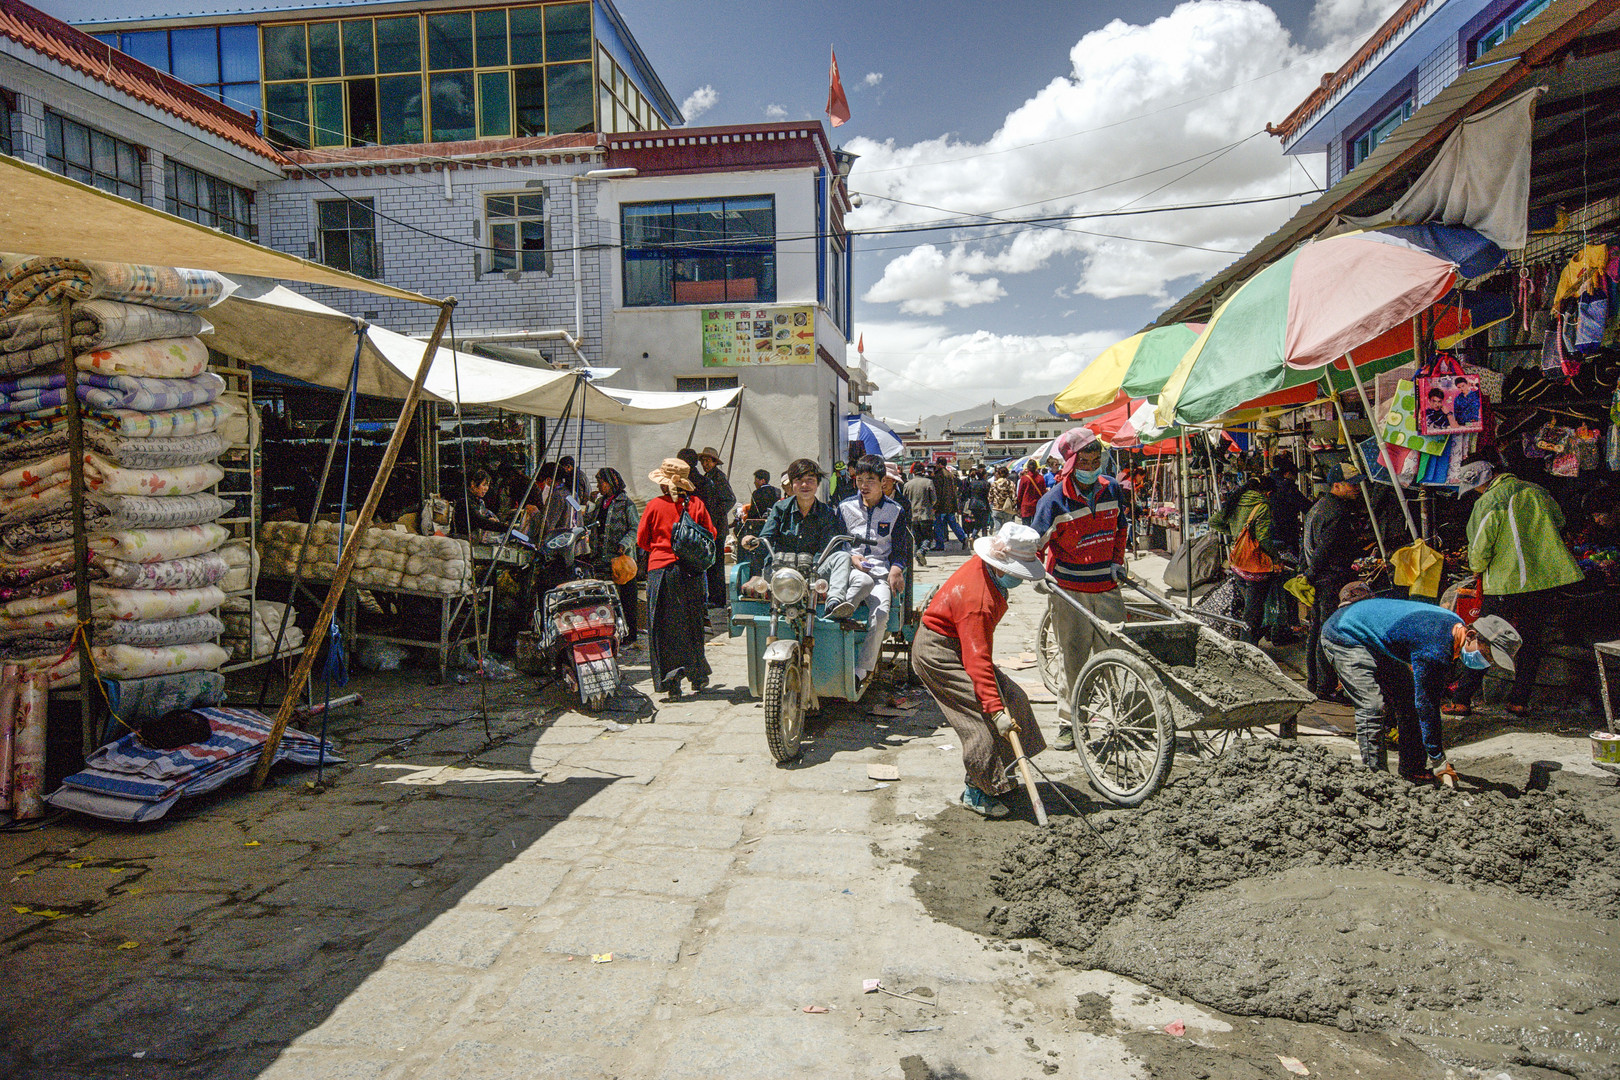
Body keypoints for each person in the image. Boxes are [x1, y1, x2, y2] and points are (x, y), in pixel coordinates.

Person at [911, 522, 1049, 818]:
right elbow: (978, 661)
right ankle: (976, 790)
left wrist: (1002, 705)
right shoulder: (979, 600)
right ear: (1001, 566)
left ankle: (1004, 775)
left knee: (1016, 701)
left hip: (960, 643)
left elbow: (978, 654)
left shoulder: (987, 572)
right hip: (937, 652)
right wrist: (995, 711)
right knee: (982, 718)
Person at [1322, 593, 1521, 782]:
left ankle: (1412, 769)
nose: (1487, 662)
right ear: (1470, 635)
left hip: (1373, 635)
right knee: (1371, 706)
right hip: (1344, 632)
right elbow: (1427, 706)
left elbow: (1419, 702)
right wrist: (1438, 760)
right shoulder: (1435, 647)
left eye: (1491, 660)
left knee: (1407, 699)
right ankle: (1375, 778)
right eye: (1487, 654)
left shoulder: (1452, 626)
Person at [1447, 454, 1581, 717]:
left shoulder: (1489, 502)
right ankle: (1519, 701)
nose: (1474, 491)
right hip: (1544, 581)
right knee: (1532, 641)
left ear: (1480, 479)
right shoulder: (1537, 491)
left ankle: (1461, 700)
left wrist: (1476, 568)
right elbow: (1560, 522)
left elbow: (1479, 551)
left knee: (1484, 639)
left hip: (1505, 584)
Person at [1032, 427, 1129, 752]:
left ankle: (1123, 720)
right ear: (1071, 464)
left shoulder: (1112, 489)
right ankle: (1069, 724)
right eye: (1084, 462)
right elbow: (1033, 544)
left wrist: (1118, 560)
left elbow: (1120, 529)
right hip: (1070, 590)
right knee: (1073, 658)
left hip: (1107, 586)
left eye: (1095, 460)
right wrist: (1038, 575)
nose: (1091, 467)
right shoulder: (1053, 501)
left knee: (1115, 656)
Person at [636, 458, 717, 700]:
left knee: (663, 628)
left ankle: (672, 680)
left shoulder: (654, 506)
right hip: (690, 572)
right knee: (693, 624)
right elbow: (710, 534)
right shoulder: (697, 504)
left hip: (661, 572)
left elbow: (642, 540)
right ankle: (698, 675)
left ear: (663, 484)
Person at [830, 454, 912, 690]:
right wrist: (852, 556)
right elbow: (838, 542)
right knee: (861, 580)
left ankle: (862, 670)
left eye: (870, 480)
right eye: (860, 480)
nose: (864, 486)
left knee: (881, 615)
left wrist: (897, 569)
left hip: (881, 574)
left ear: (882, 481)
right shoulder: (845, 508)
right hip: (850, 570)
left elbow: (900, 549)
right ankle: (838, 623)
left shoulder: (895, 511)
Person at [1301, 464, 1366, 701]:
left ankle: (1315, 682)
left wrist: (1306, 572)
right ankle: (1325, 687)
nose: (1357, 488)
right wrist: (1309, 572)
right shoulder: (1337, 512)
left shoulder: (1318, 507)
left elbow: (1307, 545)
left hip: (1320, 578)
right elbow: (1325, 549)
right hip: (1331, 578)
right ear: (1337, 485)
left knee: (1317, 629)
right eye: (1352, 484)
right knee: (1328, 632)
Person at [744, 457, 843, 598]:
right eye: (798, 480)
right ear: (791, 483)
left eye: (810, 480)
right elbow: (766, 539)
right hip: (779, 572)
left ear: (817, 484)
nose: (805, 485)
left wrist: (812, 568)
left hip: (812, 573)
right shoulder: (780, 508)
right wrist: (752, 542)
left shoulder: (826, 513)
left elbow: (827, 548)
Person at [1210, 472, 1283, 646]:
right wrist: (1276, 557)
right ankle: (1246, 651)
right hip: (1255, 568)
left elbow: (1214, 521)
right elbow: (1264, 538)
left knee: (1249, 611)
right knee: (1253, 615)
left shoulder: (1237, 501)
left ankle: (1247, 644)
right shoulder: (1262, 506)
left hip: (1238, 566)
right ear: (1267, 493)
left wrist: (1236, 535)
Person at [588, 467, 639, 647]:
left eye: (601, 482)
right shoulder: (601, 503)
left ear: (611, 483)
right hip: (602, 558)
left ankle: (630, 634)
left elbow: (635, 528)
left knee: (626, 598)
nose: (599, 486)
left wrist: (624, 543)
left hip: (620, 559)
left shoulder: (626, 503)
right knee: (607, 599)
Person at [698, 446, 737, 609]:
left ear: (714, 462)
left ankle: (718, 599)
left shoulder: (718, 478)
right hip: (711, 528)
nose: (705, 464)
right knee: (711, 565)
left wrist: (714, 515)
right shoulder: (708, 476)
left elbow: (730, 499)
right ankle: (714, 597)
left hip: (717, 529)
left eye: (708, 460)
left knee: (717, 566)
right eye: (703, 461)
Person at [1268, 455, 1312, 559]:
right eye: (1295, 476)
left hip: (1270, 536)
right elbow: (1307, 507)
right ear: (1287, 474)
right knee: (1291, 567)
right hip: (1285, 537)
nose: (1296, 479)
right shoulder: (1287, 487)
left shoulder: (1268, 484)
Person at [454, 468, 510, 539]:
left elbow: (478, 518)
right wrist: (507, 528)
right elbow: (480, 521)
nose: (486, 488)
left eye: (488, 485)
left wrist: (488, 519)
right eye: (484, 485)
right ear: (473, 484)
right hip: (462, 540)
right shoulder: (465, 502)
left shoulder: (476, 501)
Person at [903, 463, 935, 565]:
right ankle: (921, 552)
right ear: (923, 471)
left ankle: (918, 560)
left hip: (913, 515)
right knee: (928, 537)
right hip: (926, 514)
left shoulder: (907, 485)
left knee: (917, 539)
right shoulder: (928, 482)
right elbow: (934, 499)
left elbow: (904, 501)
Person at [933, 463, 970, 551]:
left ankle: (939, 545)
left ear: (939, 464)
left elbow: (938, 492)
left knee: (938, 525)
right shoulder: (951, 475)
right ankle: (963, 538)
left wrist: (935, 505)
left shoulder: (939, 476)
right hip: (950, 505)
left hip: (941, 506)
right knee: (953, 523)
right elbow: (957, 487)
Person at [1016, 459, 1045, 526]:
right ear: (1036, 467)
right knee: (1036, 526)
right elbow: (1043, 492)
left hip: (1026, 506)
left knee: (1026, 527)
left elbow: (1020, 493)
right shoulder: (1041, 478)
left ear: (1028, 468)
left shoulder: (1024, 478)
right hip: (1037, 505)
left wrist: (1018, 507)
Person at [988, 465, 1016, 530]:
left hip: (996, 508)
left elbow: (990, 497)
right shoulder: (1010, 483)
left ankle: (998, 540)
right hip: (1007, 508)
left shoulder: (994, 484)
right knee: (1007, 529)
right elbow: (1014, 497)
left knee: (998, 529)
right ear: (1007, 474)